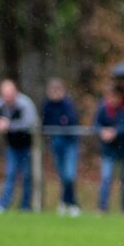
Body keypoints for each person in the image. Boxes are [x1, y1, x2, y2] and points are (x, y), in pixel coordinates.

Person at [0, 79, 38, 213]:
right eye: (4, 95)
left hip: (26, 145)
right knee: (10, 174)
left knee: (27, 176)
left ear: (15, 92)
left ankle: (25, 206)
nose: (7, 98)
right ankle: (2, 205)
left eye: (9, 94)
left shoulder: (24, 103)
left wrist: (9, 125)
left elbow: (29, 123)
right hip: (11, 146)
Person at [41, 78, 81, 216]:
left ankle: (71, 203)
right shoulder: (47, 105)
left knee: (69, 175)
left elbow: (71, 121)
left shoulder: (67, 104)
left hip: (70, 143)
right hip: (56, 144)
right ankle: (67, 203)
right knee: (63, 176)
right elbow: (45, 124)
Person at [95, 83, 124, 214]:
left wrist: (115, 132)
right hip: (109, 150)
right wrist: (102, 131)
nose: (112, 100)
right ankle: (102, 208)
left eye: (114, 97)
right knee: (106, 178)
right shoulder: (104, 108)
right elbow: (96, 123)